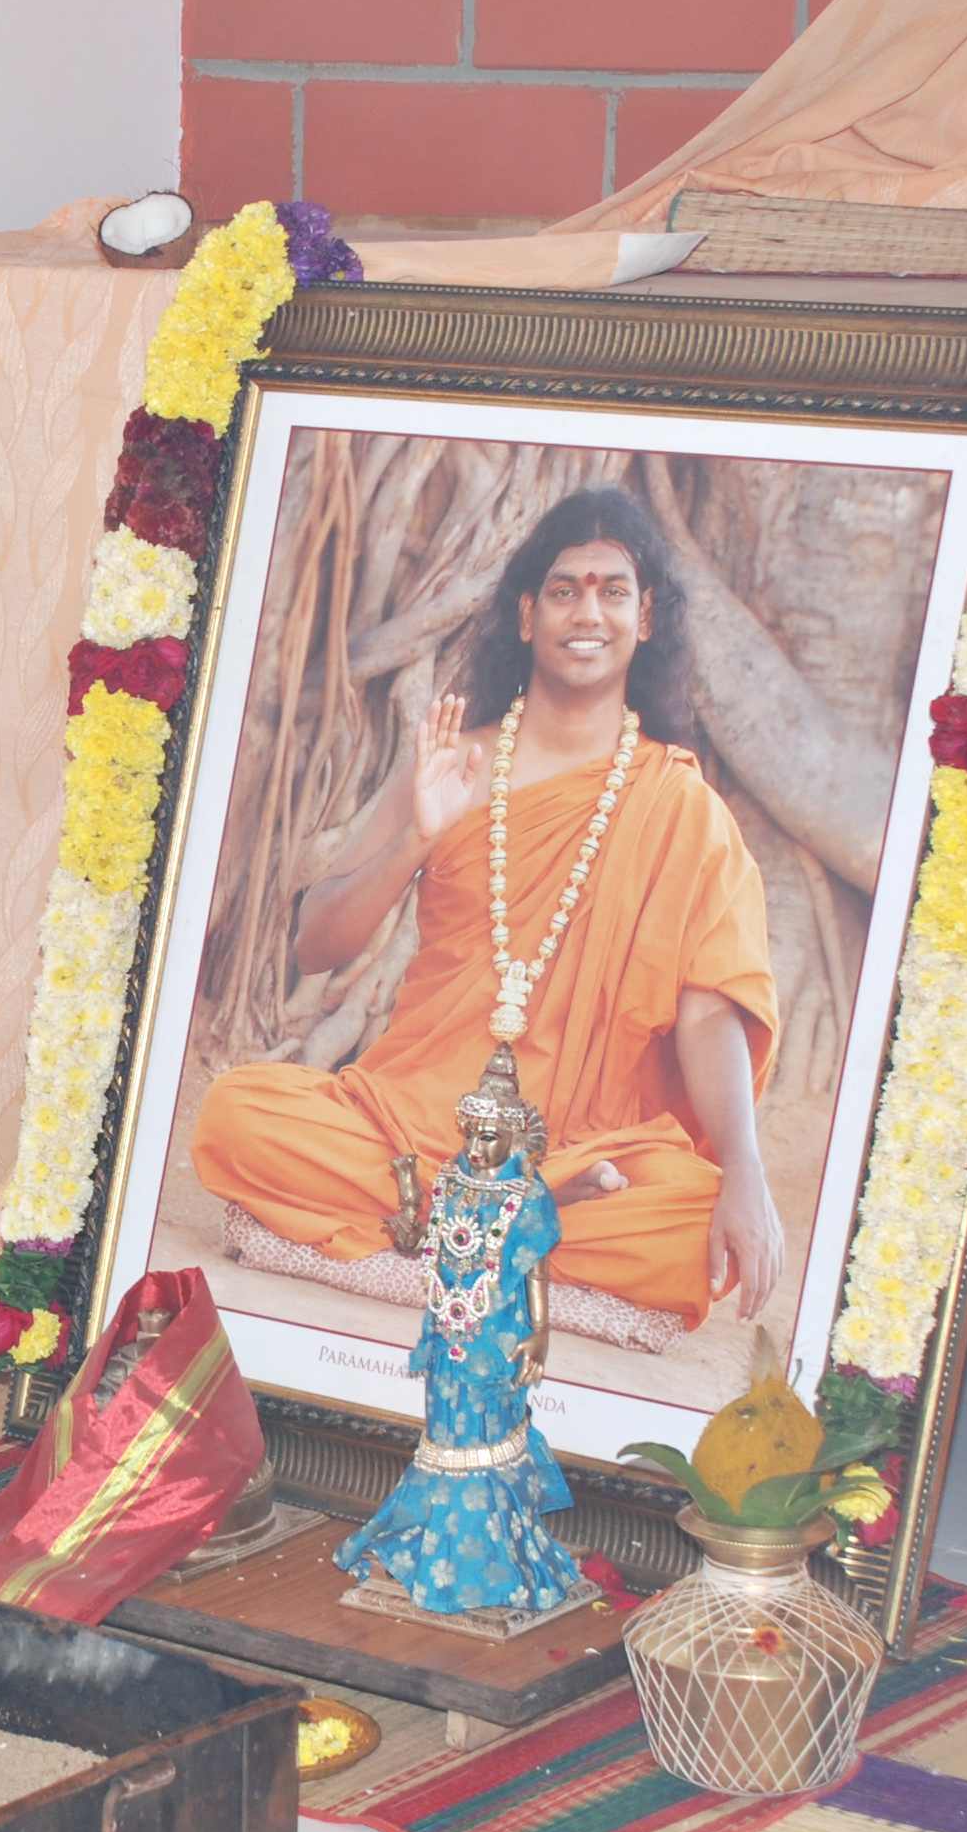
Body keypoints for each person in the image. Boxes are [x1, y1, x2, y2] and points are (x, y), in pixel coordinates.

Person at [190, 484, 783, 1329]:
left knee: (687, 1221)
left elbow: (709, 1015)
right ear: (527, 615)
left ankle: (450, 1223)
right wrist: (416, 840)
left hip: (580, 1148)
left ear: (646, 618)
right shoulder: (453, 767)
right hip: (412, 1123)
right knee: (239, 1116)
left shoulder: (683, 810)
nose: (589, 612)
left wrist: (747, 1177)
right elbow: (317, 943)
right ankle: (512, 1223)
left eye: (613, 591)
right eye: (565, 589)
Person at [332, 1051, 586, 1616]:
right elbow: (428, 1243)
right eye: (470, 1134)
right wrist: (407, 1218)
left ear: (515, 1138)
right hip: (446, 1328)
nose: (476, 1147)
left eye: (488, 1138)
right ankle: (435, 1541)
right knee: (444, 1434)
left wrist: (541, 1332)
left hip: (499, 1334)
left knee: (488, 1434)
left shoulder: (528, 1193)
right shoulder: (450, 1179)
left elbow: (536, 1267)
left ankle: (490, 1553)